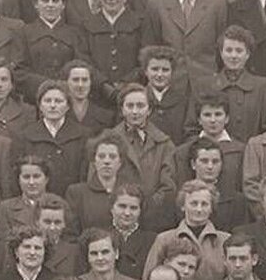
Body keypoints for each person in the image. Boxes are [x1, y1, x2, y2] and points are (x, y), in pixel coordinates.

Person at [97, 83, 176, 229]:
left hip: (152, 217)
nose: (135, 111)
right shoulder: (108, 140)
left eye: (140, 106)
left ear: (149, 110)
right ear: (122, 109)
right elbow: (100, 179)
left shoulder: (164, 143)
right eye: (130, 106)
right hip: (116, 216)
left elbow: (168, 185)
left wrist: (146, 207)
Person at [13, 80, 91, 197]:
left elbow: (85, 174)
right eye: (47, 101)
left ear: (68, 105)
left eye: (58, 101)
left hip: (72, 201)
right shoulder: (25, 136)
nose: (53, 105)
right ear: (40, 105)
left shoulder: (83, 135)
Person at [81, 0, 145, 94]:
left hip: (133, 93)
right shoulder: (87, 24)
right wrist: (103, 85)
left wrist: (126, 84)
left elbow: (145, 60)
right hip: (97, 94)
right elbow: (84, 59)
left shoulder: (140, 23)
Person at [65, 133, 124, 231]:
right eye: (101, 156)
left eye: (112, 157)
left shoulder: (130, 192)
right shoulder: (77, 193)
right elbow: (72, 231)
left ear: (120, 162)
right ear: (93, 161)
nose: (107, 161)